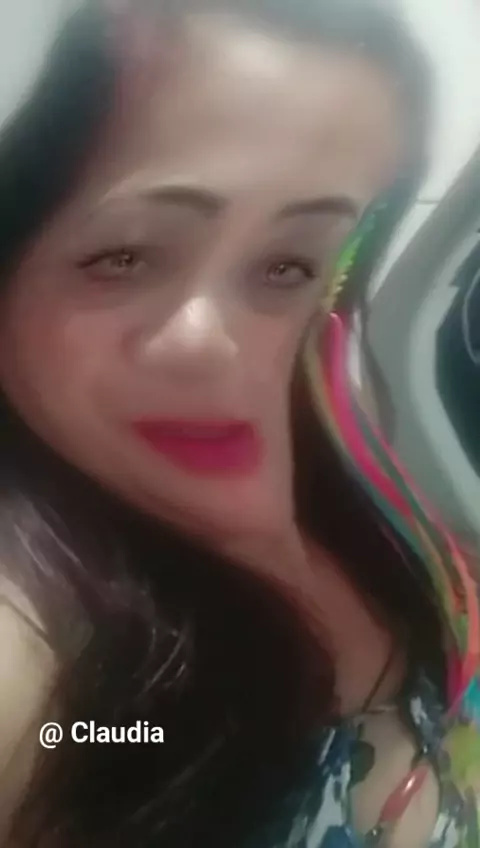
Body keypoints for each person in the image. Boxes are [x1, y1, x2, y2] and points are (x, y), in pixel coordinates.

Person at [0, 1, 477, 846]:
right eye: (124, 254)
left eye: (287, 264)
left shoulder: (333, 424)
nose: (213, 342)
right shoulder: (36, 668)